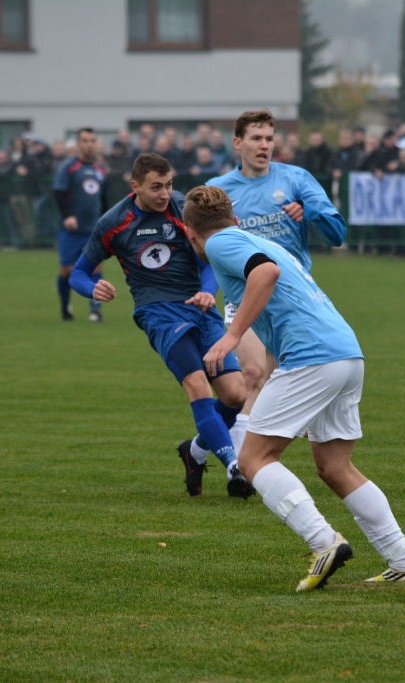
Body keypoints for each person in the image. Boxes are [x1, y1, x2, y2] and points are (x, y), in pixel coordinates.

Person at [182, 184, 405, 591]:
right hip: (345, 354)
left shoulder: (220, 242)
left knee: (254, 459)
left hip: (312, 356)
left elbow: (265, 273)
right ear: (236, 219)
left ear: (190, 234)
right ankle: (404, 561)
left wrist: (232, 336)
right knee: (334, 467)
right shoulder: (256, 239)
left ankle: (323, 541)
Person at [68, 154, 252, 498]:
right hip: (159, 315)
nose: (165, 193)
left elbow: (210, 258)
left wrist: (207, 291)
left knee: (236, 395)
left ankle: (195, 452)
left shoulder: (183, 208)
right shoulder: (114, 222)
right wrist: (92, 288)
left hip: (200, 308)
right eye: (156, 187)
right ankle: (234, 468)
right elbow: (78, 272)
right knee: (198, 385)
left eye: (168, 185)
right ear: (135, 186)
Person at [204, 109, 347, 464]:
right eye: (256, 138)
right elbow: (203, 247)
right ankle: (240, 470)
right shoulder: (219, 189)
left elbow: (337, 234)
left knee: (273, 384)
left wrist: (309, 213)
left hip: (292, 302)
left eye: (269, 138)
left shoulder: (296, 179)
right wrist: (206, 287)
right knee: (252, 376)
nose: (264, 145)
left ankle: (199, 450)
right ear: (238, 143)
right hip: (244, 297)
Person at [53, 127, 108, 322]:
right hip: (70, 230)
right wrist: (68, 216)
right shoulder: (69, 167)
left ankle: (95, 310)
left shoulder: (102, 170)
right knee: (67, 271)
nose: (89, 144)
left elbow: (104, 200)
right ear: (78, 143)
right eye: (85, 140)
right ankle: (65, 306)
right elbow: (58, 192)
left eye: (92, 140)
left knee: (96, 268)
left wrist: (105, 222)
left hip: (93, 230)